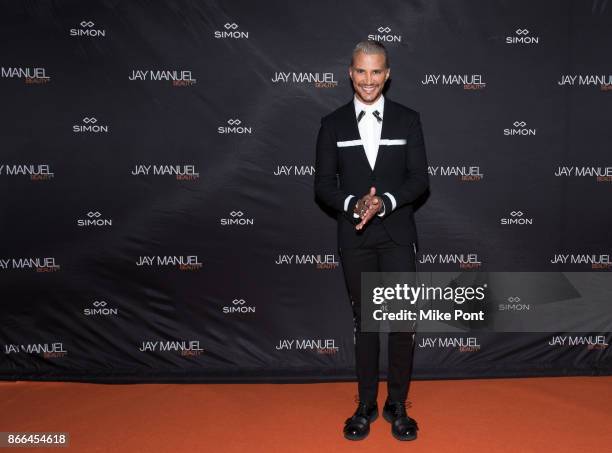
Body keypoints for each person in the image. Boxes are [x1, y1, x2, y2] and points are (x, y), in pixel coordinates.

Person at [314, 40, 429, 441]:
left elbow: (419, 180)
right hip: (355, 237)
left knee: (400, 322)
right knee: (366, 323)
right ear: (350, 72)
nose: (368, 80)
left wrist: (385, 203)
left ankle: (397, 404)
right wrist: (354, 203)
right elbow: (324, 186)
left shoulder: (407, 120)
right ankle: (365, 404)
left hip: (396, 233)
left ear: (388, 73)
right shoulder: (332, 124)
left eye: (376, 71)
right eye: (361, 71)